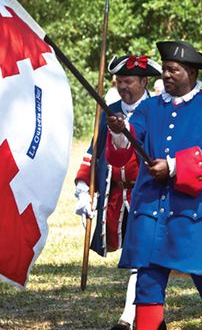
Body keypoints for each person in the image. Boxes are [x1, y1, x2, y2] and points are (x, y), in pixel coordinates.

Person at [105, 40, 202, 330]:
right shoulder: (148, 107)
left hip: (199, 211)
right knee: (147, 281)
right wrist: (121, 131)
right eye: (165, 71)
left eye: (173, 70)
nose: (167, 76)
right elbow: (130, 145)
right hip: (152, 211)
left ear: (191, 73)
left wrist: (174, 167)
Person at [74, 54, 161, 330]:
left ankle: (127, 318)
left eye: (129, 81)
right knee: (137, 256)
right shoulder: (108, 109)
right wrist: (82, 188)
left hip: (146, 194)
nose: (124, 86)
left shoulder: (157, 110)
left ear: (143, 81)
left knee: (142, 258)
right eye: (120, 81)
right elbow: (94, 151)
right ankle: (155, 317)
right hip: (116, 196)